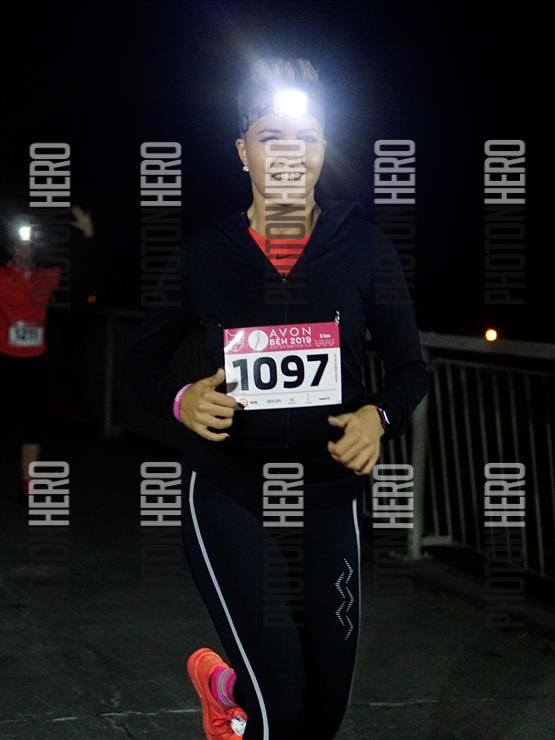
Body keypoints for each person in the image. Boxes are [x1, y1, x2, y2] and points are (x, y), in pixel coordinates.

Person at [124, 57, 429, 740]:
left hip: (327, 497)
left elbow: (411, 366)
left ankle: (224, 688)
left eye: (307, 138)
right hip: (230, 492)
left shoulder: (364, 248)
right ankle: (245, 700)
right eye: (271, 138)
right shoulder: (205, 254)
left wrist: (377, 416)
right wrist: (181, 399)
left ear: (324, 149)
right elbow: (140, 359)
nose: (290, 155)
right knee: (281, 712)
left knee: (322, 714)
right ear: (242, 152)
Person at [0, 207, 93, 500]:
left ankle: (28, 483)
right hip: (4, 360)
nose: (24, 252)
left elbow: (81, 269)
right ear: (11, 251)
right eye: (18, 247)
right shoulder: (1, 277)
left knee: (33, 423)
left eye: (29, 247)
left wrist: (86, 234)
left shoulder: (45, 278)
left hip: (35, 361)